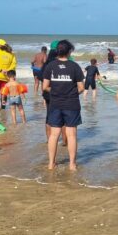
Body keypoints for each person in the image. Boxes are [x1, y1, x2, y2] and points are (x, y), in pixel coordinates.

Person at [42, 40, 84, 170]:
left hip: (55, 104)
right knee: (71, 135)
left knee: (54, 135)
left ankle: (51, 164)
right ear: (69, 51)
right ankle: (72, 164)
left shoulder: (50, 66)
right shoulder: (74, 66)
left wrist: (55, 91)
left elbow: (45, 87)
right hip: (71, 103)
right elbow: (81, 88)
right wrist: (70, 92)